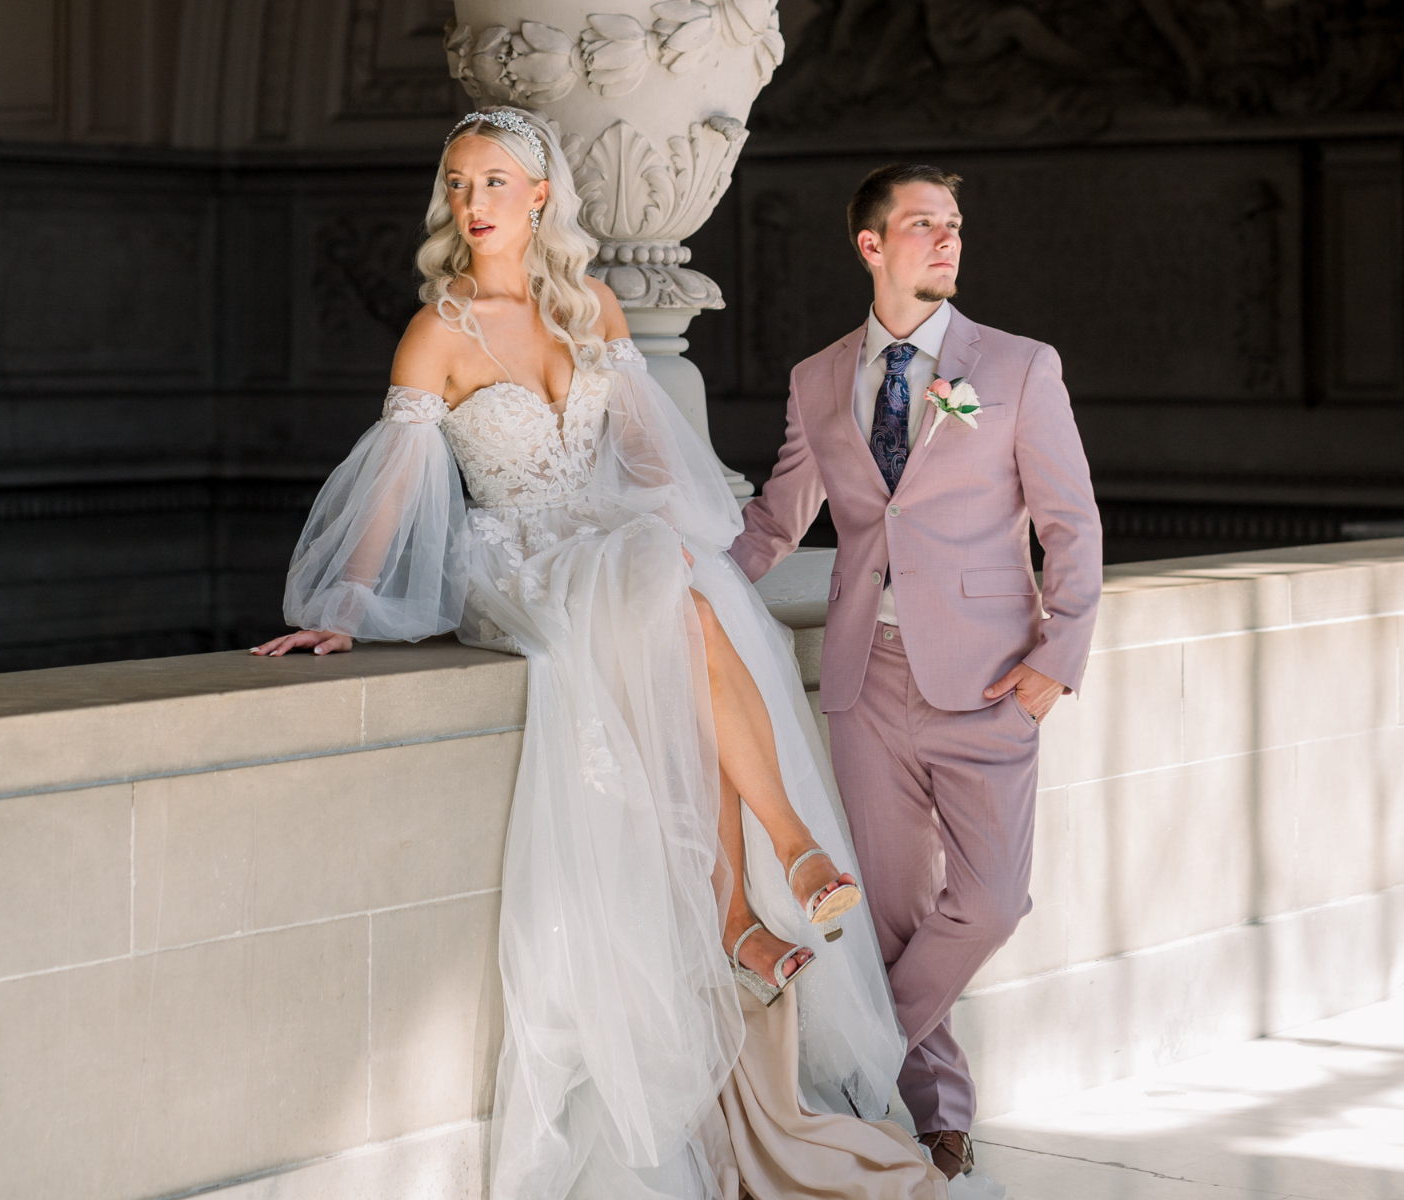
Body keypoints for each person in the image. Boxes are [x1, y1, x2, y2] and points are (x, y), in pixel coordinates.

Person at [252, 109, 955, 1200]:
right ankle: (788, 852)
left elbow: (648, 455)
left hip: (607, 546)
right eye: (459, 182)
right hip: (513, 561)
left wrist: (667, 521)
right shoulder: (437, 331)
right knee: (669, 594)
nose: (472, 202)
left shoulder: (591, 308)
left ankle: (741, 914)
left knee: (681, 592)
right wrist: (346, 603)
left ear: (540, 196)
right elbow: (392, 489)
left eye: (495, 181)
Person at [730, 164, 1103, 1180]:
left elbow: (1071, 522)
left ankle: (848, 1059)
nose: (947, 239)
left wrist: (1058, 657)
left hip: (991, 678)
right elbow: (777, 519)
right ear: (871, 245)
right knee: (892, 913)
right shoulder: (819, 379)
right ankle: (938, 1115)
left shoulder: (1018, 367)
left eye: (955, 225)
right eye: (924, 224)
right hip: (865, 679)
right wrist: (691, 586)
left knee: (992, 902)